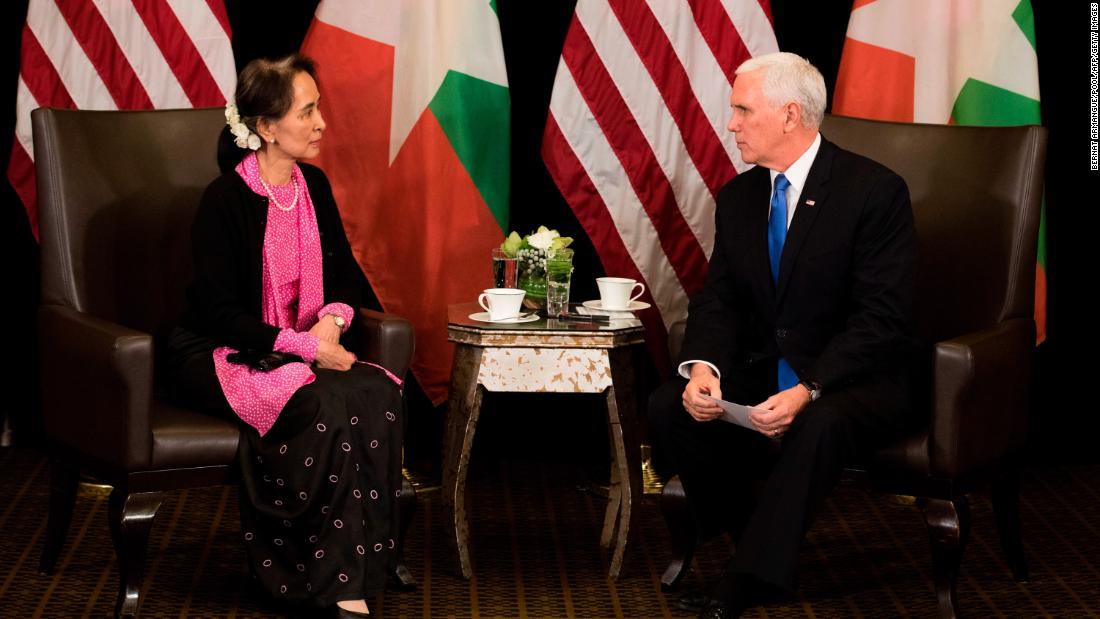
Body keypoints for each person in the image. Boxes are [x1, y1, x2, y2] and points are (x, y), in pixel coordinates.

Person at [648, 52, 919, 618]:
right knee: (669, 408)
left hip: (854, 378)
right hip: (769, 364)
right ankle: (755, 539)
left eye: (744, 110)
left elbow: (882, 320)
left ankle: (748, 578)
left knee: (820, 422)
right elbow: (719, 297)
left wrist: (809, 387)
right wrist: (704, 368)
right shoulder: (740, 197)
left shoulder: (873, 192)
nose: (731, 124)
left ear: (790, 115)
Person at [162, 54, 403, 618]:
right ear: (267, 127)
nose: (321, 123)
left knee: (378, 393)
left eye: (319, 108)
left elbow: (343, 273)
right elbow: (222, 315)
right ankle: (328, 580)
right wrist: (302, 346)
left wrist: (332, 321)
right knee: (317, 400)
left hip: (300, 344)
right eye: (308, 111)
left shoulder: (313, 185)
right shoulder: (224, 200)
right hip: (221, 350)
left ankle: (368, 563)